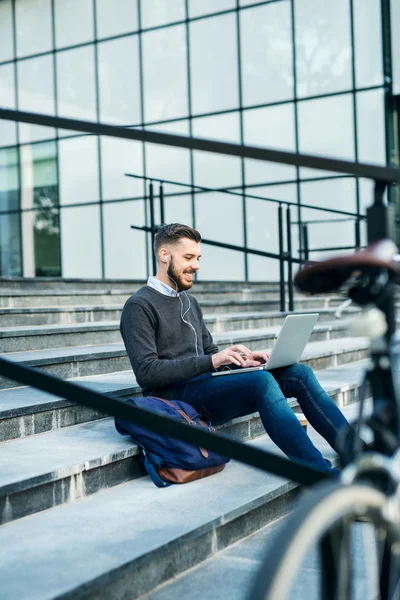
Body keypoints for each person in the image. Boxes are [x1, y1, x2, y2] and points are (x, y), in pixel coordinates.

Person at [120, 223, 349, 475]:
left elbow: (208, 352)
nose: (196, 265)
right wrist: (212, 361)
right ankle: (319, 473)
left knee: (298, 374)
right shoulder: (138, 306)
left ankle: (357, 451)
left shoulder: (190, 302)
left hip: (204, 388)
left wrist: (240, 360)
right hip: (172, 399)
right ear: (165, 256)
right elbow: (147, 372)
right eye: (188, 258)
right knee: (260, 382)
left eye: (197, 258)